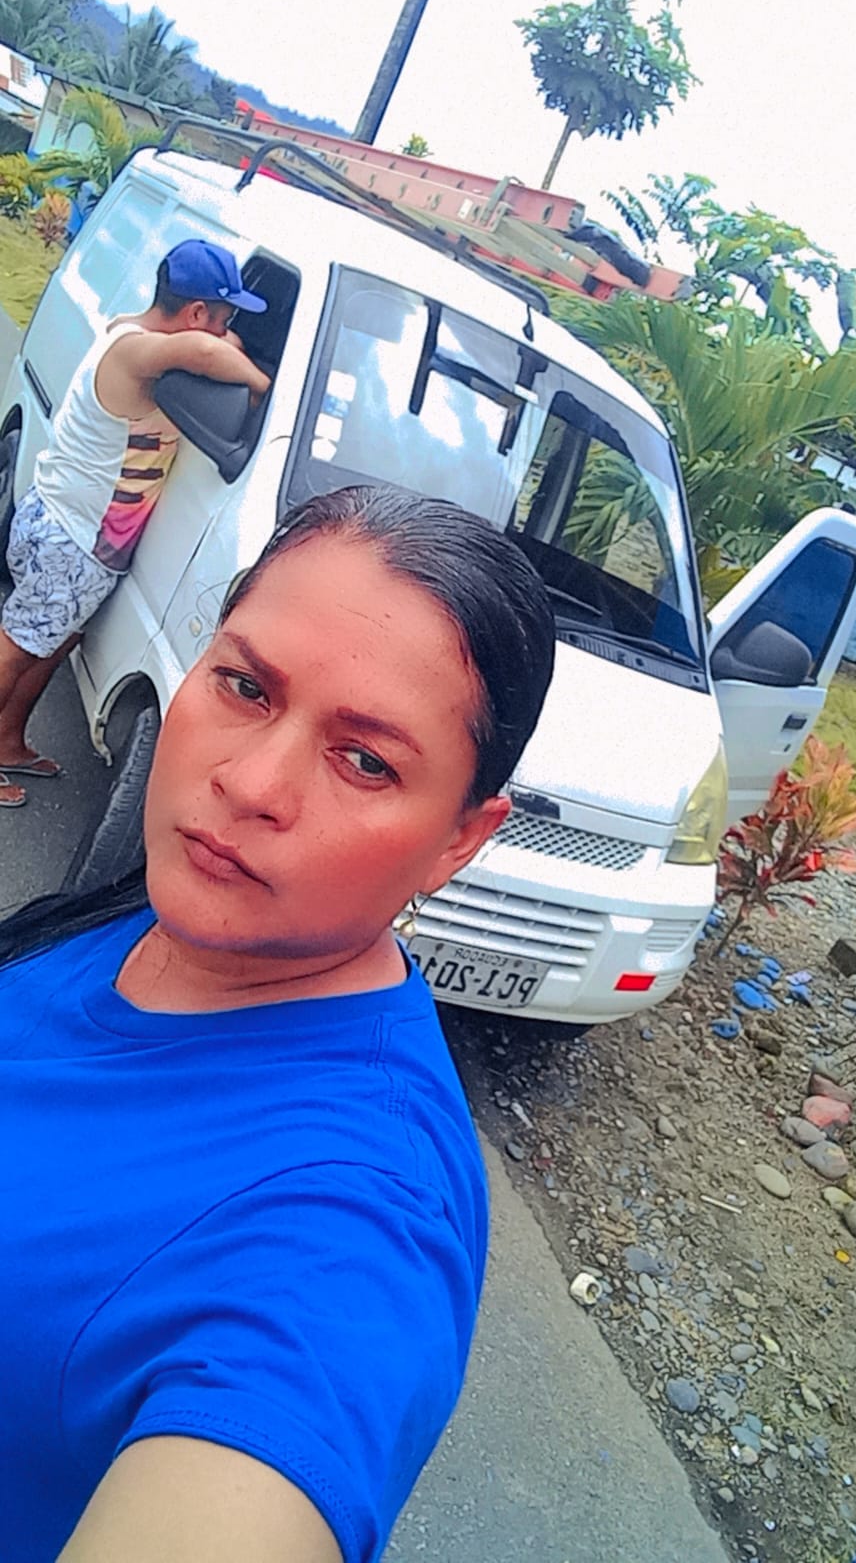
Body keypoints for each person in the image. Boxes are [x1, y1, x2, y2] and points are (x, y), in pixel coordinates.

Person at [0, 484, 556, 1563]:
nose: (250, 781)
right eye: (246, 686)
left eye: (366, 760)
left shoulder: (350, 1222)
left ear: (459, 840)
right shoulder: (165, 917)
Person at [0, 239, 272, 809]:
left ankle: (7, 741)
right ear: (196, 313)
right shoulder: (137, 353)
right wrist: (261, 384)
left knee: (53, 642)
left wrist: (224, 338)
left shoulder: (133, 330)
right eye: (224, 317)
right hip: (73, 538)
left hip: (78, 536)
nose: (228, 330)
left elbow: (207, 345)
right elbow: (205, 353)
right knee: (19, 646)